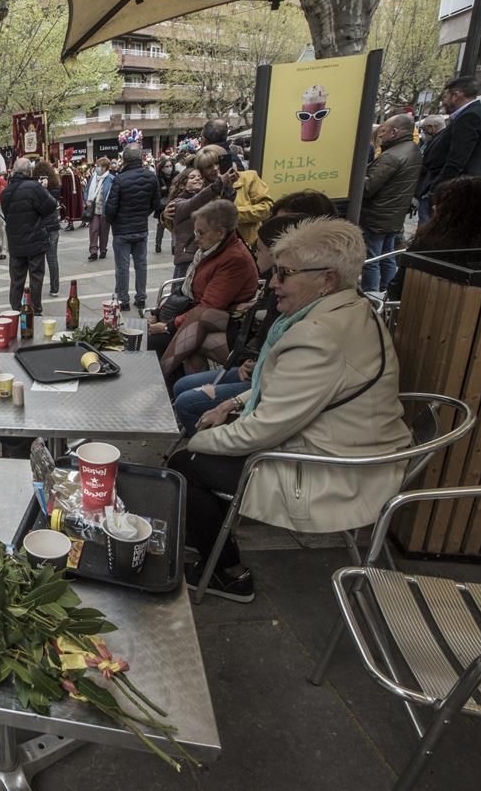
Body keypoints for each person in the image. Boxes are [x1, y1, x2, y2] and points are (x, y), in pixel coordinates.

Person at [169, 218, 411, 602]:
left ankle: (227, 573)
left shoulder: (317, 335)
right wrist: (233, 402)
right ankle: (208, 539)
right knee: (199, 446)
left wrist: (201, 438)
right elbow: (290, 391)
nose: (273, 283)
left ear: (327, 280)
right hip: (348, 447)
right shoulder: (349, 309)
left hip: (334, 472)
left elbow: (264, 430)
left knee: (184, 465)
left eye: (284, 273)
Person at [170, 214, 307, 434]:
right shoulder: (279, 289)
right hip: (253, 361)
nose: (254, 252)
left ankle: (202, 447)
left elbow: (285, 384)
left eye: (259, 249)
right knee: (185, 358)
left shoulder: (236, 260)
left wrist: (232, 402)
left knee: (186, 391)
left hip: (260, 373)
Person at [148, 200, 258, 369]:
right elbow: (188, 288)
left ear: (220, 233)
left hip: (227, 323)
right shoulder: (212, 249)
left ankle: (163, 381)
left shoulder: (234, 259)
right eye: (195, 231)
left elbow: (209, 306)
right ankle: (177, 386)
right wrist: (160, 311)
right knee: (180, 340)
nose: (196, 239)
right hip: (197, 314)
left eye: (200, 233)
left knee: (159, 342)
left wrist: (168, 326)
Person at [388, 176, 481, 300]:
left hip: (432, 319)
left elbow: (397, 291)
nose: (434, 207)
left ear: (448, 211)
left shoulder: (427, 248)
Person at [359, 114, 422, 292]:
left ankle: (371, 295)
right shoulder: (413, 150)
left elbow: (368, 187)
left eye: (383, 131)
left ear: (394, 132)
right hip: (394, 215)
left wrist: (357, 176)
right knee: (386, 256)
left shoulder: (391, 156)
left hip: (377, 216)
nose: (380, 135)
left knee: (371, 260)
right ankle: (388, 290)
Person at [419, 77, 481, 209]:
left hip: (455, 190)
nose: (443, 102)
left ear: (455, 96)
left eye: (445, 97)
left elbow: (456, 160)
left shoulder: (469, 116)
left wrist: (437, 190)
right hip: (466, 186)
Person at [103, 144, 161, 312]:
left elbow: (111, 207)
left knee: (122, 267)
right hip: (141, 227)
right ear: (141, 157)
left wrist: (112, 220)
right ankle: (141, 298)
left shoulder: (120, 179)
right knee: (141, 265)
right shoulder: (151, 177)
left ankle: (123, 299)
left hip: (122, 229)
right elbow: (156, 204)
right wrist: (143, 214)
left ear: (125, 159)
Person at [0, 158, 57, 314]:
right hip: (35, 241)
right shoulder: (34, 187)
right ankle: (36, 309)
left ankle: (15, 309)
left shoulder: (6, 192)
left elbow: (7, 214)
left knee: (16, 279)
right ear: (28, 171)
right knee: (36, 277)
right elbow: (50, 206)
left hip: (16, 243)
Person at [191, 145, 273, 249]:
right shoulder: (203, 191)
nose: (215, 168)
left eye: (217, 163)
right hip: (216, 249)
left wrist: (232, 214)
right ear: (202, 172)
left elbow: (267, 208)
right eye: (208, 167)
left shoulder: (249, 178)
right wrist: (166, 217)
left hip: (250, 245)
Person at [166, 168, 205, 279]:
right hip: (186, 257)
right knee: (178, 292)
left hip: (200, 254)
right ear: (183, 185)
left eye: (200, 177)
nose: (197, 179)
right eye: (192, 177)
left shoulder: (202, 198)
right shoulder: (179, 201)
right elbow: (194, 202)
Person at [33, 160, 64, 297]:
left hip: (47, 225)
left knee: (49, 259)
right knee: (47, 259)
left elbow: (49, 203)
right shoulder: (52, 185)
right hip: (47, 225)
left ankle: (53, 287)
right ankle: (50, 287)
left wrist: (43, 190)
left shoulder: (52, 186)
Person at [416, 115, 448, 224]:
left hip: (430, 186)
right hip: (430, 185)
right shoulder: (440, 138)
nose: (424, 132)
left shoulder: (440, 140)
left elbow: (430, 163)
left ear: (432, 127)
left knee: (425, 218)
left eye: (424, 129)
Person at [85, 158, 114, 262]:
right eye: (96, 166)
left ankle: (103, 249)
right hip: (93, 209)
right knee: (93, 230)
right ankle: (93, 251)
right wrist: (86, 200)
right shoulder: (93, 177)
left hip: (104, 209)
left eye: (99, 166)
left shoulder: (111, 178)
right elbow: (87, 190)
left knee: (104, 231)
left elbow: (113, 194)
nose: (96, 168)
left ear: (105, 167)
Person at [154, 157, 176, 254]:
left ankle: (174, 246)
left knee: (174, 225)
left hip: (173, 203)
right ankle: (158, 244)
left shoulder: (176, 176)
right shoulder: (158, 178)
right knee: (161, 225)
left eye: (170, 166)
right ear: (162, 168)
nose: (169, 168)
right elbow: (158, 192)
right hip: (162, 206)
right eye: (166, 166)